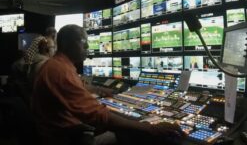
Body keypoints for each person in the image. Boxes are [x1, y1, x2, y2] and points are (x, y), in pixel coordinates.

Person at [32, 25, 184, 145]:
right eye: (84, 43)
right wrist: (151, 128)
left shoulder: (56, 65)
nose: (87, 48)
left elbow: (75, 90)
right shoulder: (61, 71)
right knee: (128, 134)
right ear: (66, 43)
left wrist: (99, 90)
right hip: (67, 138)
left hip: (55, 132)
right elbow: (99, 116)